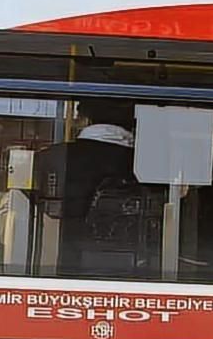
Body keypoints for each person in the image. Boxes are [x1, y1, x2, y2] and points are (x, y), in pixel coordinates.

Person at [34, 100, 149, 276]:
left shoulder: (53, 156)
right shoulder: (143, 162)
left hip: (60, 259)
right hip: (132, 263)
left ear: (85, 120)